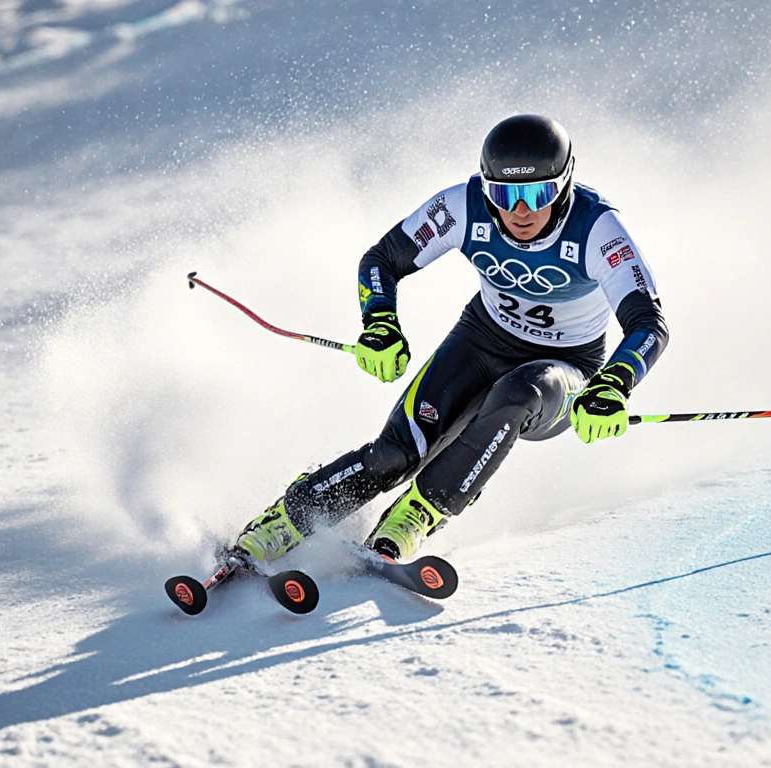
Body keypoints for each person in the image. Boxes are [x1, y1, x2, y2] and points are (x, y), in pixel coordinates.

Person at [229, 114, 668, 564]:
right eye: (504, 194)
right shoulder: (461, 206)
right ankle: (291, 516)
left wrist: (614, 383)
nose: (520, 212)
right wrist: (380, 322)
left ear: (565, 186)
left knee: (520, 393)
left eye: (537, 194)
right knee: (397, 453)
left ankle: (416, 515)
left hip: (566, 369)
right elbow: (382, 259)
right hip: (482, 340)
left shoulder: (598, 228)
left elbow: (648, 324)